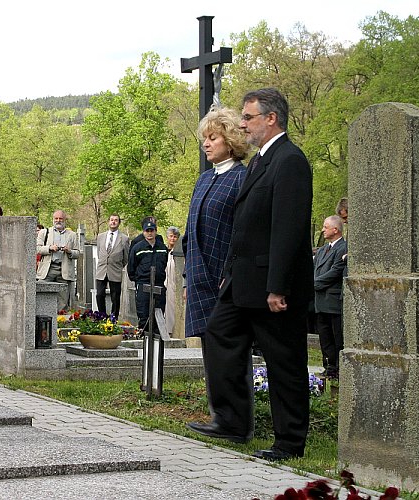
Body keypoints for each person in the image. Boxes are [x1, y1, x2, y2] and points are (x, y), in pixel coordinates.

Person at [187, 88, 313, 462]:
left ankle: (289, 441)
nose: (243, 123)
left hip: (273, 286)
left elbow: (288, 229)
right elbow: (244, 227)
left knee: (283, 362)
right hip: (242, 281)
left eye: (248, 117)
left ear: (270, 118)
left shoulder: (289, 161)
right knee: (219, 333)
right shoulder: (262, 161)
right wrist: (228, 274)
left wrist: (277, 286)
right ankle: (232, 421)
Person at [181, 107, 249, 354]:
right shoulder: (203, 179)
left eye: (213, 138)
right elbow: (190, 234)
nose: (206, 145)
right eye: (204, 139)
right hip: (199, 280)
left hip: (224, 282)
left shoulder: (243, 177)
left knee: (229, 356)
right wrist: (187, 281)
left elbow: (242, 233)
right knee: (210, 356)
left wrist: (230, 275)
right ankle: (214, 395)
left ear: (230, 141)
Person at [314, 215, 347, 379]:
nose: (323, 230)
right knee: (324, 336)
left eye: (325, 227)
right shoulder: (322, 250)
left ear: (335, 229)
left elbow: (334, 272)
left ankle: (338, 368)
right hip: (320, 300)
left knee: (336, 336)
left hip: (332, 300)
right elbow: (315, 269)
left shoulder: (343, 248)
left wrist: (313, 284)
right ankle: (329, 366)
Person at [127, 218, 168, 333]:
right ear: (143, 232)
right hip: (143, 284)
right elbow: (131, 267)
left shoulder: (162, 248)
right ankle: (144, 341)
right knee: (144, 314)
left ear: (156, 231)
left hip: (159, 285)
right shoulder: (138, 248)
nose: (150, 233)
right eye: (147, 231)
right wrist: (138, 280)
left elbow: (165, 263)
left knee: (158, 314)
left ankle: (156, 343)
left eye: (152, 230)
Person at [37, 210, 79, 312]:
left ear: (65, 220)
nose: (58, 221)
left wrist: (69, 251)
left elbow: (77, 253)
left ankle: (60, 322)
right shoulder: (45, 232)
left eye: (60, 219)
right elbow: (37, 249)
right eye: (56, 218)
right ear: (53, 219)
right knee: (42, 293)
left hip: (64, 270)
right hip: (48, 269)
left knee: (63, 301)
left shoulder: (72, 235)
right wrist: (50, 248)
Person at [95, 214, 129, 319]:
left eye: (116, 220)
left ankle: (114, 317)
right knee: (99, 294)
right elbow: (99, 252)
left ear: (119, 223)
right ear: (108, 222)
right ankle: (102, 316)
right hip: (101, 270)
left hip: (115, 270)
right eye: (111, 220)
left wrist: (118, 265)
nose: (113, 222)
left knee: (115, 297)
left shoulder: (124, 238)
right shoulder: (100, 236)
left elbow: (126, 257)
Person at [164, 226, 180, 336]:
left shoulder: (179, 252)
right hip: (165, 283)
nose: (173, 239)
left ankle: (173, 330)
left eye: (175, 237)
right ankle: (166, 330)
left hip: (175, 283)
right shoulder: (165, 251)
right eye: (171, 236)